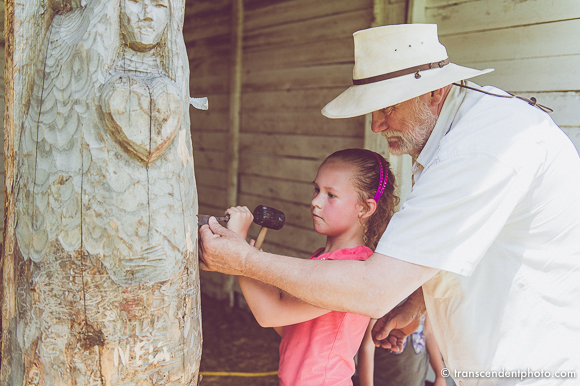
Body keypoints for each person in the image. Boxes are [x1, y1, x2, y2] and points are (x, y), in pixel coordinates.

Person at [199, 23, 580, 385]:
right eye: (373, 110)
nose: (377, 125)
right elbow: (454, 246)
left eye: (388, 107)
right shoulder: (451, 138)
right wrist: (415, 302)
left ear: (435, 92)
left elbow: (372, 290)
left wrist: (244, 261)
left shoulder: (481, 149)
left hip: (531, 366)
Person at [224, 149, 399, 386]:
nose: (315, 201)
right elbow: (288, 327)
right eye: (316, 189)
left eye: (331, 195)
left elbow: (269, 314)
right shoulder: (322, 259)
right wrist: (250, 264)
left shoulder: (351, 268)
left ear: (365, 209)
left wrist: (239, 252)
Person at [356, 315, 446, 386]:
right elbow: (367, 347)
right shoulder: (383, 297)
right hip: (381, 381)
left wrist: (440, 375)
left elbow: (429, 334)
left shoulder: (422, 295)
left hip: (417, 382)